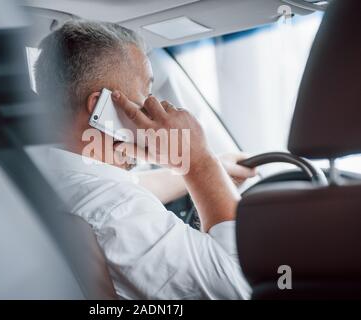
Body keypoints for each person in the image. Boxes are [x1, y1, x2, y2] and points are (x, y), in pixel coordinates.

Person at [33, 19, 256, 299]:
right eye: (146, 94)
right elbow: (245, 285)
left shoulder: (38, 170)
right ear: (103, 107)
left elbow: (128, 186)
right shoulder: (119, 211)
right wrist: (199, 162)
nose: (154, 108)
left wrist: (205, 169)